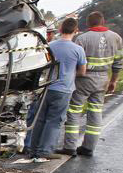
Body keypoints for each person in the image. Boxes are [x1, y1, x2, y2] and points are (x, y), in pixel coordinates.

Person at [60, 11, 123, 157]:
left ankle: (70, 146)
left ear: (88, 23)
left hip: (83, 79)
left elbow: (73, 60)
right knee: (95, 112)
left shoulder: (82, 38)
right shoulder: (116, 38)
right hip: (103, 79)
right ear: (103, 21)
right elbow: (119, 62)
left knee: (74, 112)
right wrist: (113, 80)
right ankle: (89, 147)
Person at [25, 17, 87, 161]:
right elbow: (82, 72)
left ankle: (32, 149)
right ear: (75, 31)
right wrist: (71, 73)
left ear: (60, 29)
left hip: (45, 88)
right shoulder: (78, 50)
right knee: (54, 121)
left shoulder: (50, 46)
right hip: (63, 89)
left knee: (39, 120)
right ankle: (44, 151)